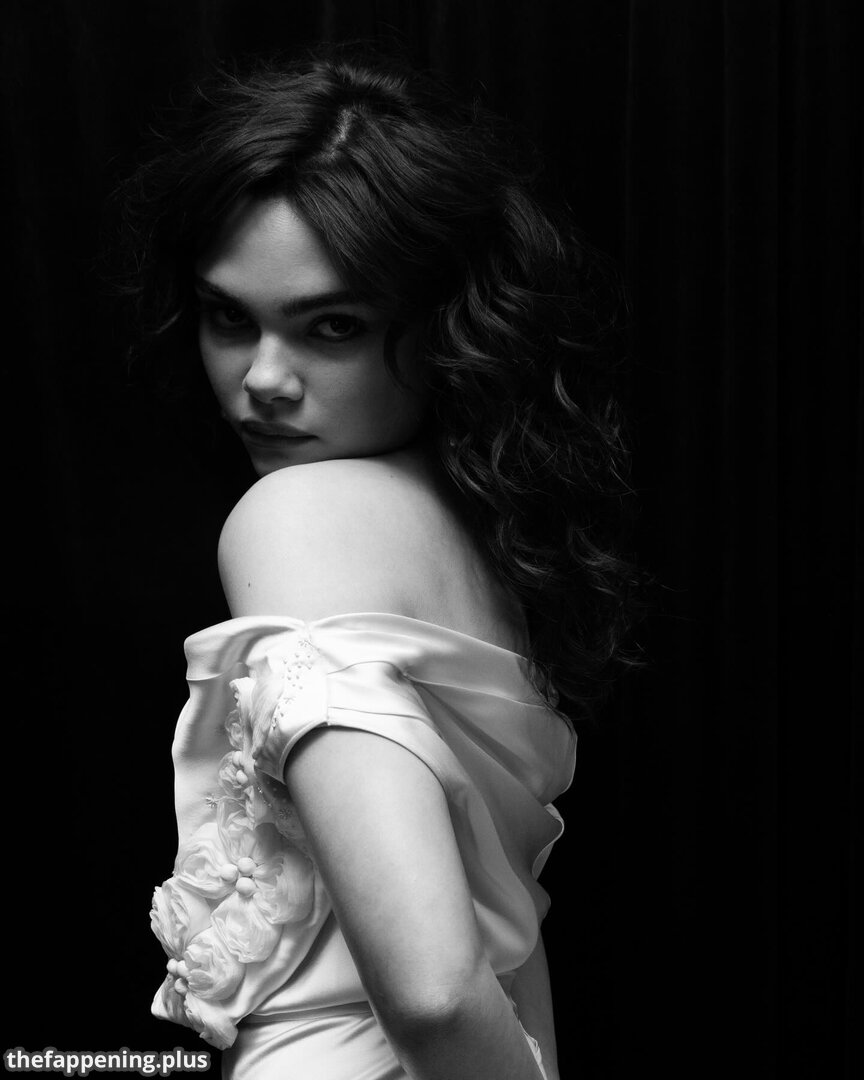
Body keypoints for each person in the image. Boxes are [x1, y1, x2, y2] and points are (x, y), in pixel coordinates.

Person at [122, 45, 642, 1080]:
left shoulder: (299, 517)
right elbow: (501, 977)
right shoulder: (481, 539)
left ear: (447, 324)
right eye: (230, 318)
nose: (263, 379)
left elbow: (436, 989)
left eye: (332, 327)